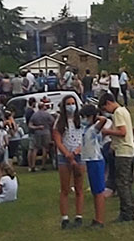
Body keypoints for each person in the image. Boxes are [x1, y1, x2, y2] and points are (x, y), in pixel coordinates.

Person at [99, 92, 134, 223]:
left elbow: (122, 132)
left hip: (123, 151)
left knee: (122, 183)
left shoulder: (118, 113)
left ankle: (126, 213)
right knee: (127, 182)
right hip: (128, 150)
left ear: (108, 103)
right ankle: (130, 210)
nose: (106, 112)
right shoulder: (124, 110)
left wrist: (107, 132)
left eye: (105, 108)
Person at [52, 96, 86, 228]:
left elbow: (85, 137)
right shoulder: (59, 122)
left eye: (73, 103)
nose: (71, 106)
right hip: (64, 156)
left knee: (79, 187)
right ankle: (65, 217)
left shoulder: (81, 120)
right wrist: (67, 154)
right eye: (68, 104)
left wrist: (77, 151)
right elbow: (58, 140)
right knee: (65, 188)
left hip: (79, 154)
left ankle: (79, 216)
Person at [77, 106, 107, 229]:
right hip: (89, 160)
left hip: (96, 160)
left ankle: (100, 220)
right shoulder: (87, 128)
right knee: (95, 191)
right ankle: (96, 217)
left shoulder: (94, 128)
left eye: (85, 117)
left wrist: (95, 116)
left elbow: (103, 120)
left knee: (99, 192)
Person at [28, 98, 54, 172]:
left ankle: (33, 165)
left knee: (35, 149)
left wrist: (37, 127)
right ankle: (43, 165)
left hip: (37, 133)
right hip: (46, 132)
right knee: (45, 149)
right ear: (43, 107)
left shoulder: (34, 115)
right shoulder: (47, 114)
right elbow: (53, 121)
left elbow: (30, 125)